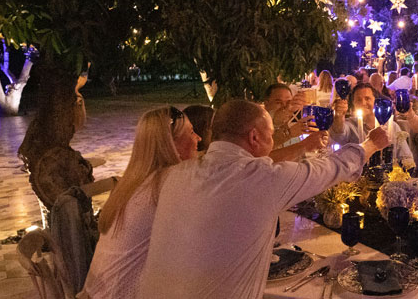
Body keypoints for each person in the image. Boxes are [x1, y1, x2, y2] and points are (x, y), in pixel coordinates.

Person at [136, 100, 388, 298]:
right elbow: (330, 168)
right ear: (254, 137)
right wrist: (370, 145)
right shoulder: (259, 177)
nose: (274, 140)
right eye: (271, 134)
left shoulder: (175, 174)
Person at [82, 107, 201, 298]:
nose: (198, 138)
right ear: (171, 144)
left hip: (96, 293)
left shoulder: (134, 183)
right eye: (192, 132)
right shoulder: (170, 182)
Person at [330, 83, 415, 169]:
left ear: (375, 101)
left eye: (367, 99)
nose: (363, 103)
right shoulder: (351, 125)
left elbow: (406, 158)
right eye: (358, 100)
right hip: (358, 175)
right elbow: (339, 133)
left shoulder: (392, 126)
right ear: (353, 104)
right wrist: (339, 116)